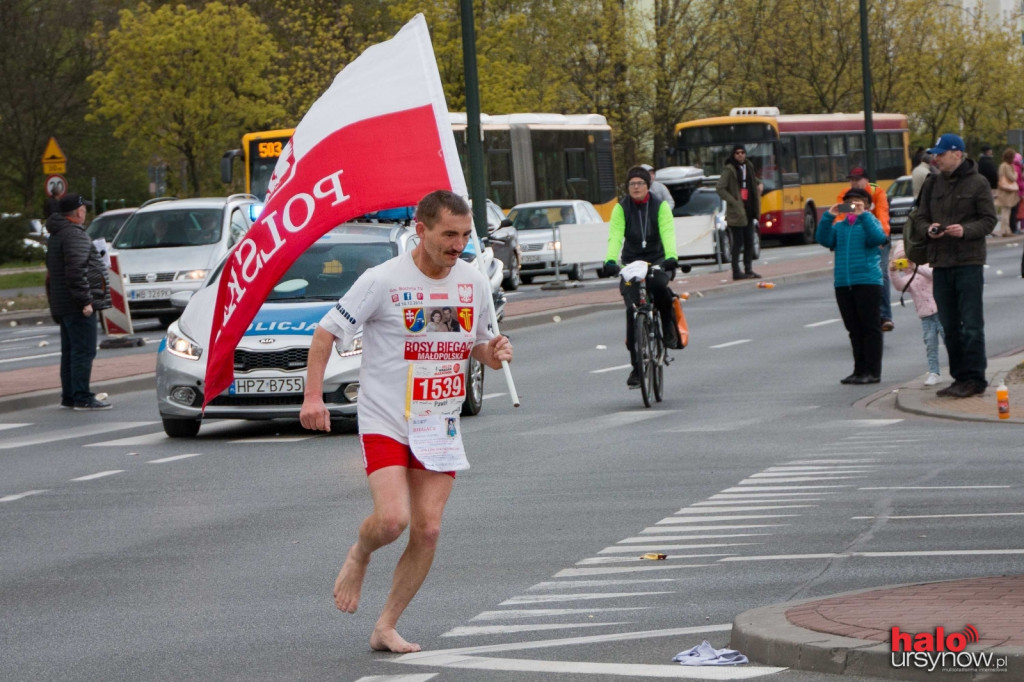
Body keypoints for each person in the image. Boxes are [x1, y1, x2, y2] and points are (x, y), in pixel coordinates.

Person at [298, 190, 513, 653]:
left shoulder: (472, 282)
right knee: (393, 521)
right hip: (386, 418)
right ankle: (360, 553)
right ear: (422, 230)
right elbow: (325, 333)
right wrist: (313, 396)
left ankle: (385, 626)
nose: (458, 246)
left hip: (439, 421)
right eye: (448, 235)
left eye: (463, 235)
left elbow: (476, 346)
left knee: (429, 529)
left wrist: (493, 355)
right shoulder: (384, 280)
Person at [909, 133, 996, 398]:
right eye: (934, 154)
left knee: (971, 323)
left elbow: (989, 220)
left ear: (957, 154)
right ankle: (959, 377)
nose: (935, 159)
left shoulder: (978, 183)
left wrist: (965, 230)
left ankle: (975, 378)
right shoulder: (932, 183)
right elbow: (920, 216)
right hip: (941, 261)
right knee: (948, 324)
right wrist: (929, 229)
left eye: (941, 154)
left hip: (969, 261)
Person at [602, 166, 680, 387]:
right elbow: (615, 235)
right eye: (632, 184)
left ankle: (667, 328)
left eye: (640, 183)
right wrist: (609, 260)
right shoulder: (621, 208)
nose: (636, 187)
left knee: (660, 288)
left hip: (657, 259)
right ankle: (637, 368)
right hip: (632, 263)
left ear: (648, 186)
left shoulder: (660, 206)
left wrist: (671, 256)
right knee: (632, 309)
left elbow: (668, 231)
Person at [44, 193, 113, 410]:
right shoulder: (74, 235)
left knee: (70, 351)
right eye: (84, 209)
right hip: (77, 304)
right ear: (79, 211)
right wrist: (86, 301)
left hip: (63, 302)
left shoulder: (57, 235)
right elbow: (76, 271)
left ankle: (70, 396)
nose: (85, 213)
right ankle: (82, 396)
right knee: (83, 351)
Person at [816, 187, 888, 385]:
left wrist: (863, 216)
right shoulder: (840, 227)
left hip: (867, 281)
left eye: (859, 202)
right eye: (850, 202)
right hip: (843, 283)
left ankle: (873, 372)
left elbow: (878, 239)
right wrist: (829, 216)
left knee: (870, 328)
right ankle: (859, 370)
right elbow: (823, 239)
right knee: (854, 329)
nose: (854, 206)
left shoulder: (870, 222)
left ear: (867, 205)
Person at [837, 167, 893, 331]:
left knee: (881, 273)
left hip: (876, 237)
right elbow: (841, 215)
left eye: (857, 179)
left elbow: (882, 214)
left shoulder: (877, 192)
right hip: (855, 238)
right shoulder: (845, 195)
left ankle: (885, 316)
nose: (854, 183)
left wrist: (882, 236)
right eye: (852, 179)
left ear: (867, 180)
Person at [890, 240, 944, 387]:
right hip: (925, 315)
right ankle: (934, 372)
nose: (905, 262)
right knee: (930, 343)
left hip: (941, 312)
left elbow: (933, 275)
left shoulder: (926, 267)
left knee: (950, 340)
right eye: (902, 260)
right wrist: (893, 271)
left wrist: (915, 267)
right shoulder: (908, 278)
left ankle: (960, 367)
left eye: (907, 258)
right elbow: (900, 286)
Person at [715, 145, 762, 280]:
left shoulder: (748, 166)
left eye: (742, 152)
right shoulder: (729, 169)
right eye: (737, 153)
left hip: (748, 209)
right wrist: (734, 201)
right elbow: (720, 188)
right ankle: (736, 271)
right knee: (738, 242)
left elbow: (751, 180)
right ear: (733, 155)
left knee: (749, 240)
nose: (740, 155)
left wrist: (759, 183)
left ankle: (748, 269)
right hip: (736, 211)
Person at [994, 148, 1018, 238]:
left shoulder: (1001, 165)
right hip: (1007, 191)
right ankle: (1005, 230)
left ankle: (1005, 230)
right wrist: (1015, 172)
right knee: (1006, 211)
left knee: (1005, 211)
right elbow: (1013, 178)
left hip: (1003, 190)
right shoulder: (1007, 166)